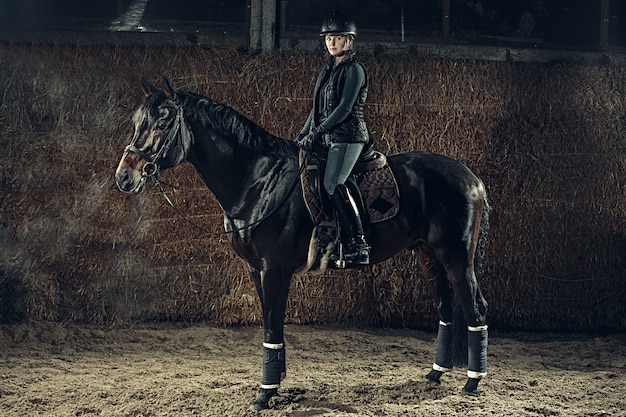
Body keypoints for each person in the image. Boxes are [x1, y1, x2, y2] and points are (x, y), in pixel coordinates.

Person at [296, 11, 371, 265]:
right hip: (328, 137)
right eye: (328, 38)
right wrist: (303, 134)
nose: (331, 43)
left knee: (332, 183)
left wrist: (317, 133)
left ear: (348, 41)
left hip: (348, 137)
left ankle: (358, 242)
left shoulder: (355, 70)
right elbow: (316, 109)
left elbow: (344, 109)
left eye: (337, 38)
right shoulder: (327, 70)